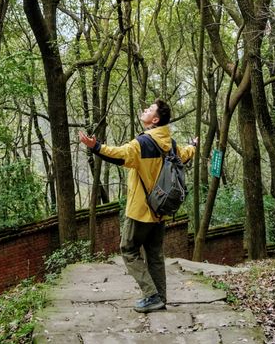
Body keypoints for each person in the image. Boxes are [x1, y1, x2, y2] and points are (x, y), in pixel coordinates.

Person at [79, 99, 197, 313]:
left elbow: (120, 154)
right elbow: (185, 154)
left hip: (141, 210)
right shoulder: (170, 143)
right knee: (154, 254)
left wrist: (95, 146)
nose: (145, 109)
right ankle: (160, 297)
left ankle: (151, 294)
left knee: (128, 249)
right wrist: (194, 146)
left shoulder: (142, 143)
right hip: (161, 210)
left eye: (149, 109)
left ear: (155, 119)